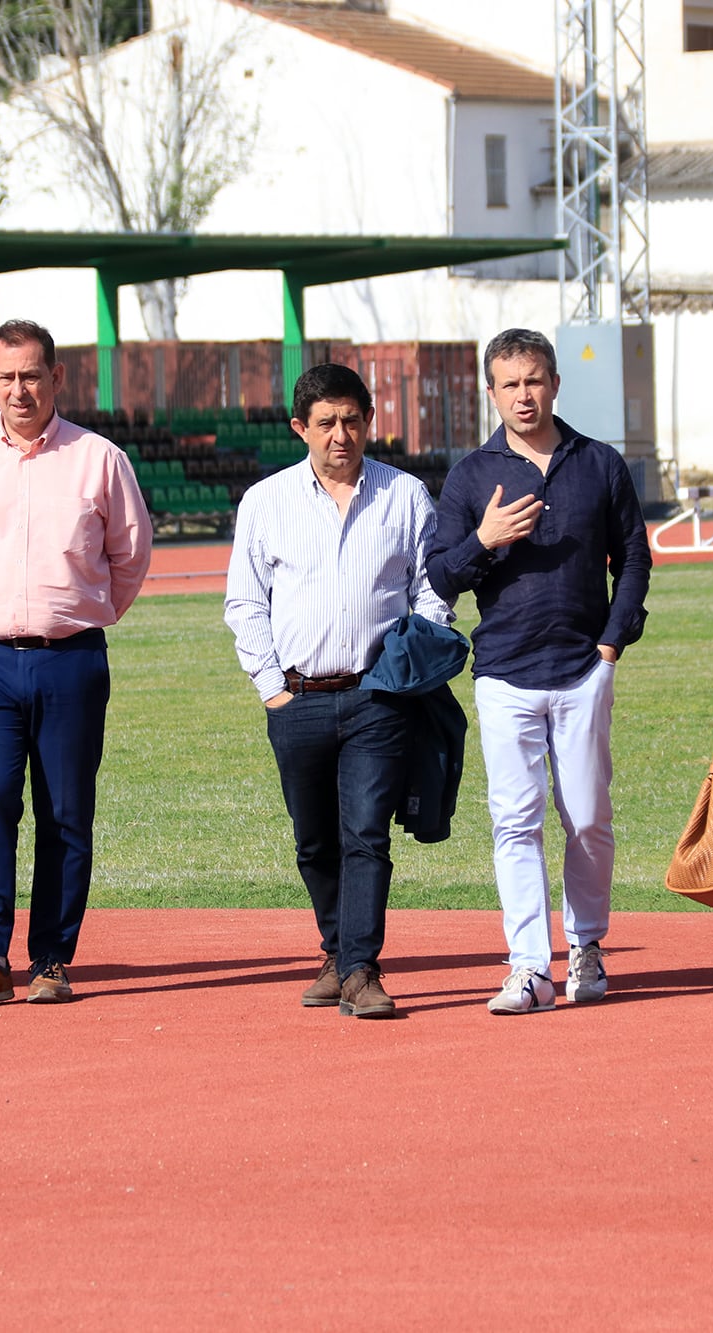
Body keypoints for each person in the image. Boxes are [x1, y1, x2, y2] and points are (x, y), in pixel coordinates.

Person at [0, 319, 153, 1007]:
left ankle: (52, 958)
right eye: (7, 376)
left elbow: (131, 556)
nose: (20, 389)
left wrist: (78, 614)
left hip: (70, 661)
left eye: (32, 374)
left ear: (57, 377)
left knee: (65, 812)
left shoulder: (99, 459)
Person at [426, 328, 651, 1015]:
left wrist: (612, 645)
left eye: (535, 379)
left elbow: (634, 558)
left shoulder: (600, 465)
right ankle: (530, 966)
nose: (524, 394)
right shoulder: (470, 476)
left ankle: (585, 944)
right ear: (490, 393)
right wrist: (483, 541)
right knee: (514, 821)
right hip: (504, 675)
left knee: (587, 819)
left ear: (555, 383)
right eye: (510, 383)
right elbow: (440, 575)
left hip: (583, 670)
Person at [225, 364, 454, 1020]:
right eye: (325, 422)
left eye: (352, 420)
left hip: (378, 697)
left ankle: (360, 969)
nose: (340, 434)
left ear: (369, 420)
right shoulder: (265, 502)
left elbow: (431, 587)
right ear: (301, 427)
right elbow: (245, 603)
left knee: (366, 832)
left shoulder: (405, 495)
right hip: (295, 698)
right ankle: (335, 950)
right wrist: (272, 690)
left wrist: (415, 657)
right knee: (314, 840)